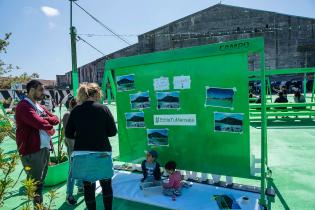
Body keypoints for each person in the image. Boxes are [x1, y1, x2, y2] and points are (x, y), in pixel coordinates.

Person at [65, 83, 117, 210]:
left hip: (82, 153)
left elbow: (68, 133)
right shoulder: (103, 109)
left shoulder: (76, 110)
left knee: (88, 186)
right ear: (96, 93)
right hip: (102, 152)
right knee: (106, 184)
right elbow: (112, 132)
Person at [15, 80, 59, 207]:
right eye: (40, 89)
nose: (43, 92)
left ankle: (39, 206)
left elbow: (55, 119)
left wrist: (45, 120)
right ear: (32, 90)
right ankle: (37, 206)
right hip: (32, 150)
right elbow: (38, 122)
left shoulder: (40, 106)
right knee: (35, 182)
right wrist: (48, 125)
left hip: (44, 147)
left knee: (41, 180)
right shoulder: (24, 106)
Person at [63, 98, 83, 205]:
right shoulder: (67, 114)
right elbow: (68, 135)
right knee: (72, 171)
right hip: (73, 148)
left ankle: (80, 187)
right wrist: (74, 150)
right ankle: (69, 195)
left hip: (80, 147)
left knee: (81, 167)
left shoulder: (79, 114)